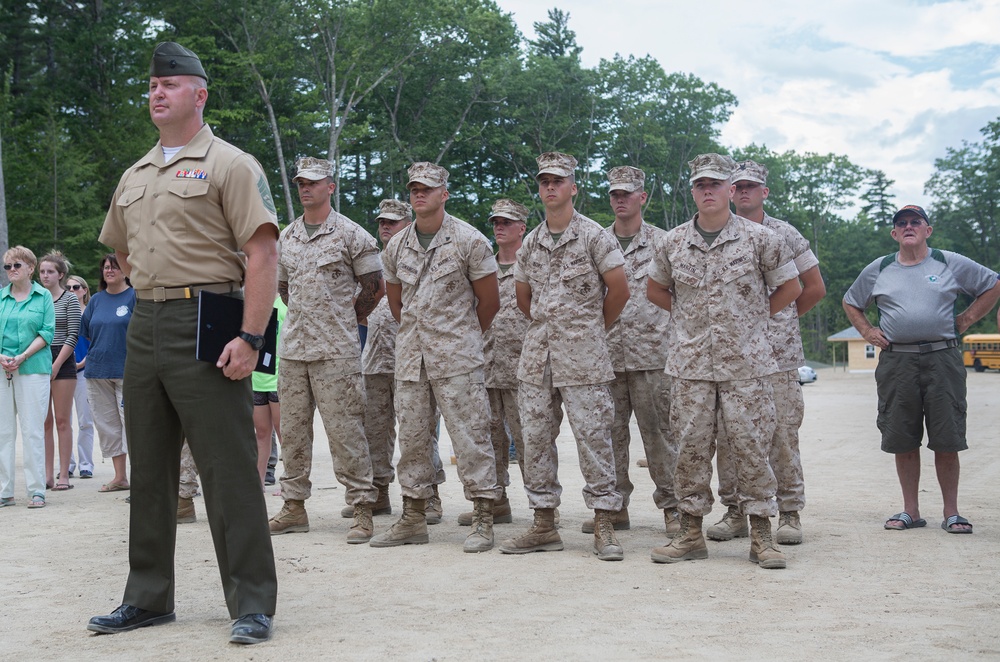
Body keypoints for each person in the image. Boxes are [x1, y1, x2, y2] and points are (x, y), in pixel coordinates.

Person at [87, 42, 279, 644]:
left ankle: (251, 602)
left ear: (199, 93)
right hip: (146, 320)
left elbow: (263, 253)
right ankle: (147, 597)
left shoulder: (231, 164)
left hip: (210, 321)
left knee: (226, 468)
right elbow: (116, 247)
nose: (157, 94)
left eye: (170, 85)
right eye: (152, 87)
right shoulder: (135, 174)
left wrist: (250, 334)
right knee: (148, 467)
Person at [646, 153, 801, 569]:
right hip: (691, 366)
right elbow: (655, 290)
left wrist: (754, 323)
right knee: (691, 450)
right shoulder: (672, 242)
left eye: (716, 184)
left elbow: (790, 286)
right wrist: (687, 323)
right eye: (701, 185)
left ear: (731, 190)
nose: (708, 191)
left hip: (746, 367)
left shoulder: (760, 239)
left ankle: (762, 537)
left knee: (752, 447)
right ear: (693, 191)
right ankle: (690, 534)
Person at [499, 152, 630, 562]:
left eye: (558, 181)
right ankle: (543, 523)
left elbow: (619, 291)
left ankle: (605, 522)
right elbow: (524, 298)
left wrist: (589, 330)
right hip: (537, 359)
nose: (550, 187)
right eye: (544, 182)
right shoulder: (532, 242)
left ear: (573, 187)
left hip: (584, 360)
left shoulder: (594, 236)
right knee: (535, 440)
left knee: (594, 439)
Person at [843, 204, 1000, 535]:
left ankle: (952, 512)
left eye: (916, 221)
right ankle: (910, 510)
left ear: (928, 230)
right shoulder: (880, 268)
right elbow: (851, 302)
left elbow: (993, 285)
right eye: (902, 223)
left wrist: (967, 319)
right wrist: (868, 332)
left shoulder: (948, 262)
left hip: (942, 358)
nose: (909, 226)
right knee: (902, 436)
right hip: (897, 361)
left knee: (947, 435)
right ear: (895, 234)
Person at [372, 161, 501, 553]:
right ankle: (413, 515)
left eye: (427, 189)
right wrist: (422, 337)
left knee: (471, 437)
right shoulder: (397, 245)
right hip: (412, 359)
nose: (419, 195)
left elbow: (490, 302)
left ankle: (482, 517)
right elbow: (397, 305)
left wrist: (458, 336)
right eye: (414, 189)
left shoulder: (470, 241)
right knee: (412, 439)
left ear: (444, 194)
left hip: (458, 359)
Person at [707, 160, 826, 545]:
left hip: (778, 354)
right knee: (729, 435)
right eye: (738, 186)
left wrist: (773, 316)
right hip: (731, 355)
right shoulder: (719, 232)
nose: (744, 192)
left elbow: (813, 287)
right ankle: (735, 510)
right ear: (729, 190)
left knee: (781, 434)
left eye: (751, 187)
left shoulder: (784, 234)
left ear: (765, 192)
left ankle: (789, 512)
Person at [268, 156, 382, 544]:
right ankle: (294, 505)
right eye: (301, 182)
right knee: (294, 432)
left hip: (337, 351)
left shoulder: (352, 234)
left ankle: (363, 508)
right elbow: (284, 288)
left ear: (330, 187)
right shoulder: (288, 236)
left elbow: (373, 287)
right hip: (295, 349)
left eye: (314, 182)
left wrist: (344, 319)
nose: (306, 188)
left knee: (346, 431)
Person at [592, 165, 680, 538]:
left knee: (661, 436)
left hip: (654, 356)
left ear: (643, 197)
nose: (621, 199)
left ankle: (674, 509)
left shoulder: (667, 242)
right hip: (607, 356)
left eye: (627, 193)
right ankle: (615, 508)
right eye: (614, 194)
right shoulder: (596, 242)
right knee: (609, 436)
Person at [346, 199, 447, 520]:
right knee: (374, 430)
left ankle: (429, 494)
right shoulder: (371, 263)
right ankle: (378, 492)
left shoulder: (425, 258)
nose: (385, 227)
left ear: (408, 223)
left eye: (392, 221)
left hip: (415, 360)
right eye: (381, 222)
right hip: (375, 360)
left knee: (420, 431)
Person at [457, 199, 531, 528]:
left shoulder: (534, 264)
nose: (499, 227)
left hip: (523, 367)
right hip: (485, 363)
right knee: (489, 438)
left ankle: (543, 507)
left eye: (507, 222)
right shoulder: (481, 264)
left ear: (522, 228)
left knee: (530, 439)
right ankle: (496, 501)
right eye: (495, 222)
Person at [0, 247, 54, 509]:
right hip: (2, 369)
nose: (11, 270)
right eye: (7, 266)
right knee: (3, 432)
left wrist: (21, 356)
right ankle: (4, 491)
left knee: (33, 430)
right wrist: (2, 357)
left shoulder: (43, 296)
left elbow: (48, 333)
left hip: (33, 368)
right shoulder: (0, 298)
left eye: (16, 265)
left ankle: (36, 491)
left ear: (31, 268)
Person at [82, 254, 134, 494]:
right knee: (108, 426)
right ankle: (120, 477)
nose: (109, 270)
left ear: (126, 269)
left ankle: (141, 478)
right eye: (105, 267)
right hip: (97, 370)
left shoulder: (135, 296)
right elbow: (88, 332)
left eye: (114, 266)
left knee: (131, 425)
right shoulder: (96, 300)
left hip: (127, 370)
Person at [39, 251, 81, 491]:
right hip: (39, 357)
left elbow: (73, 334)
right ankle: (47, 475)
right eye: (42, 271)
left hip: (62, 359)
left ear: (61, 274)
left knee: (62, 421)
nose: (45, 275)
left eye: (50, 271)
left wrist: (55, 366)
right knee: (44, 422)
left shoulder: (69, 299)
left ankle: (64, 474)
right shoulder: (37, 299)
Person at [252, 297, 286, 486]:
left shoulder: (283, 304)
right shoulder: (251, 303)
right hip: (257, 378)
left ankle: (289, 482)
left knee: (284, 433)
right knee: (262, 432)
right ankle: (259, 480)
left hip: (278, 379)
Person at [66, 275, 95, 480]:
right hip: (63, 373)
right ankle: (67, 464)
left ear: (84, 290)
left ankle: (86, 464)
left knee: (85, 420)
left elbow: (95, 342)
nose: (72, 291)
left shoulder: (90, 314)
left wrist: (82, 363)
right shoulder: (60, 312)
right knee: (63, 421)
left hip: (84, 372)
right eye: (67, 287)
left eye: (76, 287)